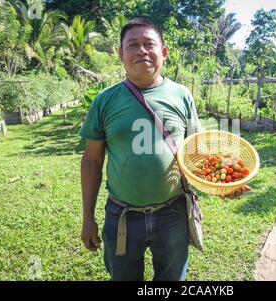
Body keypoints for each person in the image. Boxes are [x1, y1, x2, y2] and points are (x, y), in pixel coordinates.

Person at [79, 18, 249, 281]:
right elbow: (91, 161)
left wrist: (223, 185)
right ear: (120, 53)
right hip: (122, 213)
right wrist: (87, 218)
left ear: (164, 53)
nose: (142, 50)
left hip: (172, 213)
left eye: (149, 44)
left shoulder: (181, 95)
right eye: (132, 45)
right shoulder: (105, 101)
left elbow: (196, 153)